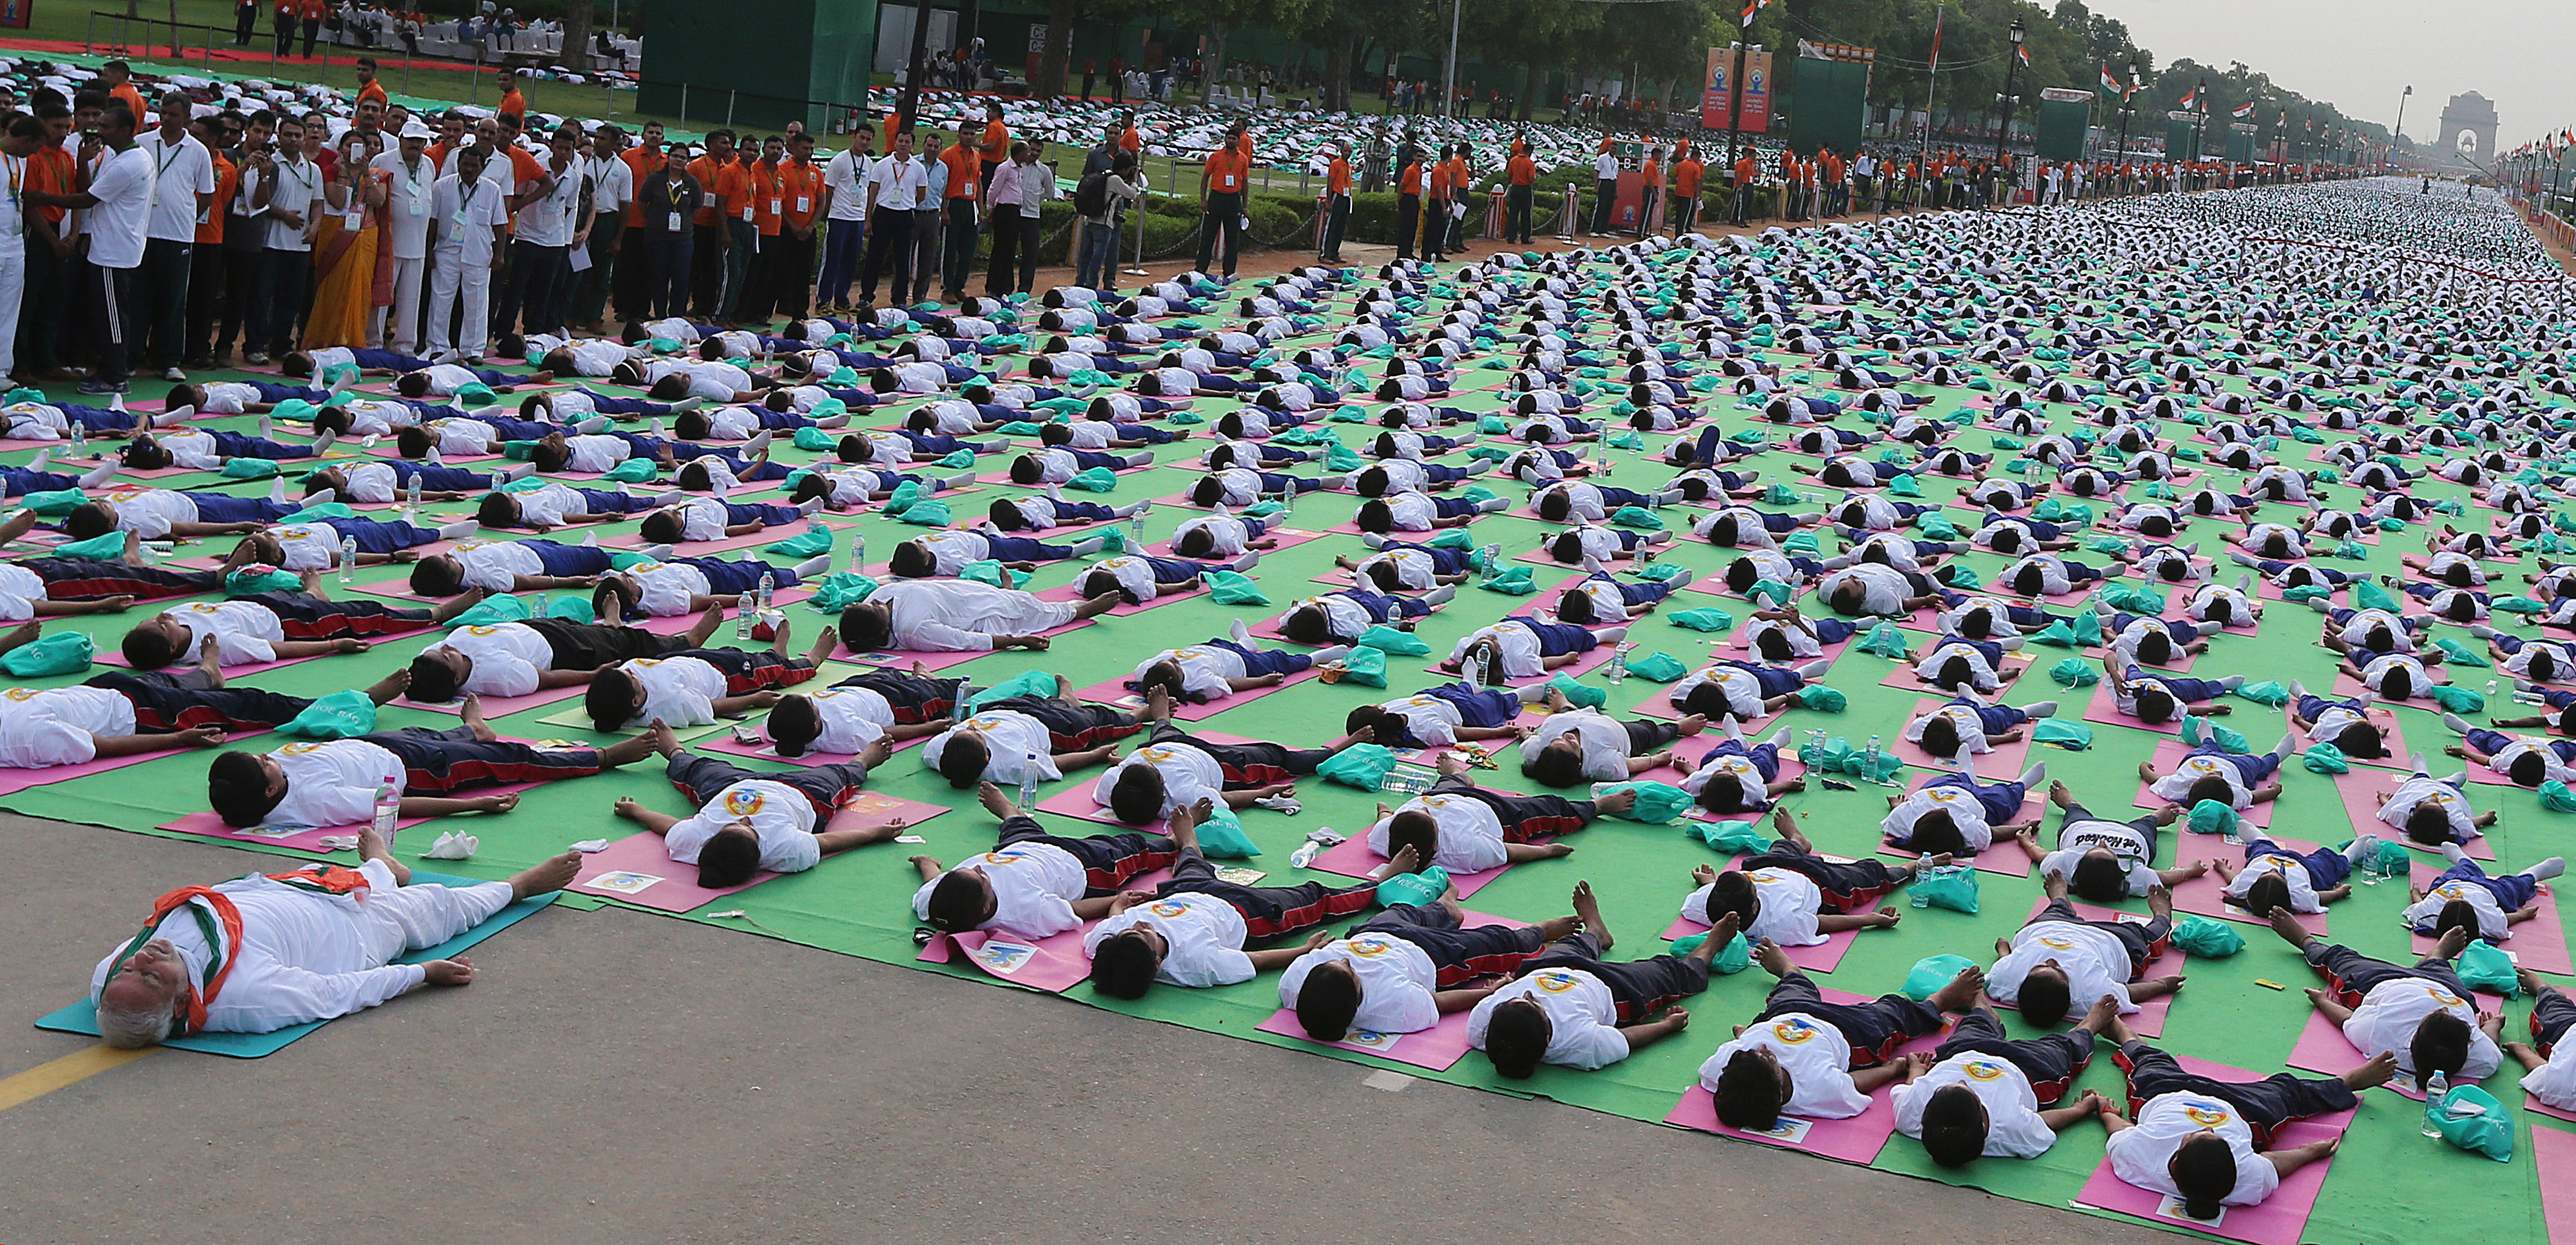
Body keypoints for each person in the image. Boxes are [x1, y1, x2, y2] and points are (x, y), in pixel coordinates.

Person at [87, 825, 584, 1047]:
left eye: (131, 969)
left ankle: (382, 866)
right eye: (152, 978)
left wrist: (136, 977)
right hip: (352, 932)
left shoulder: (107, 981)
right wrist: (419, 974)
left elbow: (130, 977)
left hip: (283, 890)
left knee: (351, 876)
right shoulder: (247, 1002)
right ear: (181, 1005)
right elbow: (339, 994)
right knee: (437, 908)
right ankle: (516, 888)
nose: (143, 959)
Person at [1083, 797, 1383, 998]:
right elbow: (1253, 961)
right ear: (1159, 963)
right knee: (1315, 898)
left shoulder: (1107, 944)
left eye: (1131, 928)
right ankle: (1381, 882)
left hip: (1183, 893)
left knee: (1188, 863)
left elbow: (1112, 922)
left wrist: (1119, 906)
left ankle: (1188, 837)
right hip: (1243, 911)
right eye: (1144, 935)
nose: (1140, 926)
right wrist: (1300, 951)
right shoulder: (1197, 965)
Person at [2101, 1019, 2389, 1218]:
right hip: (2241, 1110)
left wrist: (2105, 1112)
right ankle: (2347, 1082)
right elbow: (2275, 1163)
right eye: (2215, 1135)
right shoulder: (2248, 1182)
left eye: (2198, 1134)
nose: (2209, 1126)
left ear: (2173, 1161)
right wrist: (2308, 1153)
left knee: (2149, 1064)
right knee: (2285, 1090)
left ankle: (2124, 1034)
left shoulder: (2135, 1159)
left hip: (2169, 1093)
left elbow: (2121, 1129)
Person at [1702, 942, 1979, 1130]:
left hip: (1785, 1014)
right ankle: (1940, 1000)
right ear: (1777, 1087)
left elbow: (1738, 1052)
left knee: (1795, 987)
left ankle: (1789, 969)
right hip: (1846, 1031)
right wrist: (1894, 1068)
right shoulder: (1815, 1089)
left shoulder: (1722, 1067)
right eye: (1768, 1057)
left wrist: (1747, 1036)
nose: (1762, 1048)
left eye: (1755, 1050)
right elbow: (1854, 1083)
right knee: (1893, 1012)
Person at [1468, 881, 1716, 1077]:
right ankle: (1704, 954)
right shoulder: (1579, 1045)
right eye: (1534, 1004)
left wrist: (1501, 988)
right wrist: (1667, 1027)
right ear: (1548, 1039)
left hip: (1546, 969)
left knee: (1569, 945)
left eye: (1516, 999)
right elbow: (1626, 1039)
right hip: (1611, 989)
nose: (1529, 994)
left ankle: (1596, 933)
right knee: (1667, 972)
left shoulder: (1480, 1024)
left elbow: (1498, 999)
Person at [1279, 881, 1580, 1042]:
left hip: (1371, 933)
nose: (1345, 959)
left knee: (1404, 910)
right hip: (1428, 953)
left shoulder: (1294, 984)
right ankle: (1539, 931)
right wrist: (1488, 994)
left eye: (1336, 962)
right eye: (1349, 970)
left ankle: (1445, 908)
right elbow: (1441, 1002)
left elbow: (1312, 960)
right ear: (1360, 996)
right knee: (1496, 943)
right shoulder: (1389, 1007)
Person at [611, 729, 908, 888]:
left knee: (695, 770)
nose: (745, 818)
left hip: (727, 787)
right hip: (800, 792)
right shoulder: (786, 851)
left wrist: (637, 811)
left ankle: (674, 750)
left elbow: (668, 825)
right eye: (748, 828)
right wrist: (873, 834)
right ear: (760, 854)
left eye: (735, 824)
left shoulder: (692, 841)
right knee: (839, 778)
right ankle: (864, 760)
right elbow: (827, 841)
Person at [909, 780, 1178, 938]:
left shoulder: (931, 902)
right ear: (984, 908)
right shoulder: (1025, 916)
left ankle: (1009, 812)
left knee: (1017, 829)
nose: (979, 868)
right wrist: (1119, 900)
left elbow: (932, 881)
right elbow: (1075, 909)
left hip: (1018, 848)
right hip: (1078, 863)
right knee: (1132, 849)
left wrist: (926, 863)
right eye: (981, 877)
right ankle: (1180, 842)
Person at [2269, 910, 2504, 1083]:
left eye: (2435, 1014)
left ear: (2415, 1035)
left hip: (2384, 982)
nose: (2442, 1010)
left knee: (2336, 960)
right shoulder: (2482, 1057)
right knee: (2441, 973)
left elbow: (2346, 1020)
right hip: (2448, 990)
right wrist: (2493, 1025)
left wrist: (2321, 1002)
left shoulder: (2383, 1037)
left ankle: (2305, 940)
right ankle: (2437, 956)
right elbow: (2491, 1043)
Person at [1892, 993, 2117, 1166]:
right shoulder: (2010, 1130)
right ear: (1983, 1121)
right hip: (2027, 1069)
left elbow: (1910, 1088)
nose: (1963, 1082)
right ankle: (2089, 1026)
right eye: (1968, 1090)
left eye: (1952, 1085)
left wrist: (1916, 1069)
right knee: (2063, 1052)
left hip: (1966, 1052)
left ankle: (1982, 1008)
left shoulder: (1909, 1114)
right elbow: (2043, 1121)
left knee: (1974, 1026)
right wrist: (2080, 1110)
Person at [25, 102, 148, 395]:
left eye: (106, 126)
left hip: (112, 250)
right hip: (116, 245)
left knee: (112, 318)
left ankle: (115, 376)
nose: (99, 131)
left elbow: (87, 199)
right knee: (108, 314)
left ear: (126, 131)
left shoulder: (127, 163)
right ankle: (109, 371)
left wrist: (43, 198)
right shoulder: (132, 157)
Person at [1986, 868, 2185, 1024]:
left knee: (2055, 911)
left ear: (2020, 983)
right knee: (2147, 940)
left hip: (2052, 928)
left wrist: (2003, 949)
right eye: (2058, 969)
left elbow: (2005, 960)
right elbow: (2129, 992)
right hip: (2110, 940)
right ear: (2072, 993)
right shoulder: (2090, 994)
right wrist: (2163, 986)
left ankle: (2060, 899)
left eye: (2041, 966)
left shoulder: (2003, 980)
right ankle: (2163, 916)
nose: (2052, 960)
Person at [133, 94, 216, 382]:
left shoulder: (197, 151)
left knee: (173, 301)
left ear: (187, 118)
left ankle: (168, 360)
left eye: (173, 114)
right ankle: (132, 356)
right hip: (142, 233)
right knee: (138, 297)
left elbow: (206, 195)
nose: (167, 118)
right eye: (163, 113)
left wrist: (186, 216)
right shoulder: (142, 143)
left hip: (178, 235)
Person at [837, 577, 1119, 654]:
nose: (880, 603)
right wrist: (1015, 642)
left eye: (874, 604)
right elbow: (963, 640)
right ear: (883, 631)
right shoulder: (914, 629)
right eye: (878, 610)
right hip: (978, 617)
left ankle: (1005, 591)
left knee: (1005, 596)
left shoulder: (875, 599)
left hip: (957, 591)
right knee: (1029, 609)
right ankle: (1078, 610)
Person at [301, 129, 390, 351]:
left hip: (366, 235)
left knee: (359, 291)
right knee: (333, 290)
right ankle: (326, 341)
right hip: (337, 234)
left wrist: (366, 174)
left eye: (359, 146)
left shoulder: (376, 174)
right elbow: (338, 202)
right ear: (340, 148)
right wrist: (343, 173)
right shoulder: (330, 170)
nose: (354, 151)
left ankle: (352, 340)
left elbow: (378, 201)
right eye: (350, 146)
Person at [424, 141, 508, 362]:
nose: (469, 169)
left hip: (479, 253)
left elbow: (500, 224)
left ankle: (473, 350)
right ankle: (438, 346)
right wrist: (429, 250)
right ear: (458, 164)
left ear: (482, 168)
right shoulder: (442, 186)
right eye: (465, 164)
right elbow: (432, 221)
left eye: (474, 165)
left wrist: (500, 253)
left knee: (477, 302)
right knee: (441, 299)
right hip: (446, 250)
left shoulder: (492, 190)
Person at [2400, 843, 2563, 942]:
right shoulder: (2486, 922)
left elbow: (2418, 902)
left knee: (2464, 870)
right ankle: (2536, 873)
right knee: (2517, 885)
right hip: (2478, 889)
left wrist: (2415, 892)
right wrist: (2524, 915)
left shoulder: (2424, 917)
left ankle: (2465, 861)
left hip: (2455, 884)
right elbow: (2506, 919)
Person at [370, 122, 437, 352]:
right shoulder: (383, 161)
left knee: (411, 300)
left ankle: (405, 345)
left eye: (420, 141)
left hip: (417, 245)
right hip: (389, 243)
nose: (415, 144)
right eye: (411, 139)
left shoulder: (428, 165)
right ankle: (373, 343)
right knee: (380, 298)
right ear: (400, 139)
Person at [857, 130, 927, 309]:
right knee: (874, 257)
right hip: (883, 213)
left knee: (903, 259)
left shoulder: (918, 168)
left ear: (912, 146)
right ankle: (866, 296)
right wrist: (868, 218)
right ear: (895, 143)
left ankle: (900, 298)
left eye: (907, 142)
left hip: (904, 215)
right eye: (901, 141)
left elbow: (921, 194)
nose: (903, 144)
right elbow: (873, 192)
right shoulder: (882, 165)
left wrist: (907, 203)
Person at [635, 148, 702, 322]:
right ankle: (660, 316)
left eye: (683, 157)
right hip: (657, 237)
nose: (678, 160)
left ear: (687, 161)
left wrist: (684, 223)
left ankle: (676, 317)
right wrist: (655, 220)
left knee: (681, 278)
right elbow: (642, 204)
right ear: (668, 158)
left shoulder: (691, 182)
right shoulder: (655, 180)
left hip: (682, 238)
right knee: (659, 276)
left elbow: (696, 208)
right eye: (675, 156)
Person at [983, 142, 1050, 298]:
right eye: (1028, 151)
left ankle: (1006, 286)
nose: (1030, 155)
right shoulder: (1005, 168)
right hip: (1004, 210)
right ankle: (993, 286)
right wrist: (991, 209)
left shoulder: (1020, 169)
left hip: (1016, 211)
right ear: (1020, 153)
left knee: (1010, 251)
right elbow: (993, 190)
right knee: (1000, 250)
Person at [1198, 123, 1249, 278]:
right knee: (1208, 236)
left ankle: (1229, 271)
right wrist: (1203, 199)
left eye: (1234, 139)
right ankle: (1200, 269)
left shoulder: (1243, 159)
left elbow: (1245, 182)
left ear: (1238, 141)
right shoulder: (1216, 156)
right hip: (1216, 198)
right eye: (1229, 138)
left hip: (1233, 200)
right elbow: (1205, 177)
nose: (1231, 141)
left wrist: (1245, 205)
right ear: (1225, 139)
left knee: (1232, 239)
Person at [1321, 142, 1353, 263]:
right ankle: (1325, 254)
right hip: (1336, 195)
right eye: (1345, 151)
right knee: (1332, 226)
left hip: (1346, 197)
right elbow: (1330, 182)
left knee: (1340, 226)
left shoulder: (1349, 166)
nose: (1347, 154)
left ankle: (1334, 252)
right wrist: (1329, 200)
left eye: (1350, 151)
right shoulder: (1335, 164)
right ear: (1341, 151)